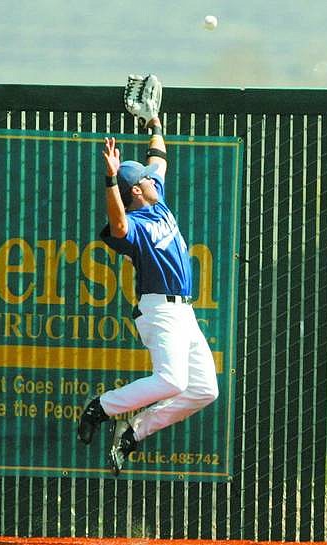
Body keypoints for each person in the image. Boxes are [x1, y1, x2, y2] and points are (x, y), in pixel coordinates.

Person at [77, 116, 219, 474]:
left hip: (184, 312)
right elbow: (119, 224)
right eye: (144, 178)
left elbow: (159, 159)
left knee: (204, 389)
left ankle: (133, 432)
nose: (152, 177)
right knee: (172, 380)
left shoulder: (156, 200)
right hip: (160, 310)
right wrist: (110, 179)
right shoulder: (135, 227)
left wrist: (155, 122)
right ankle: (102, 407)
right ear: (136, 191)